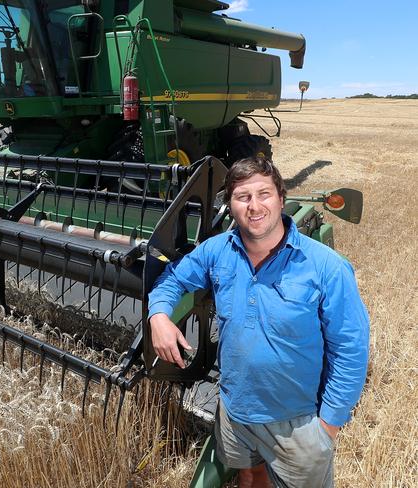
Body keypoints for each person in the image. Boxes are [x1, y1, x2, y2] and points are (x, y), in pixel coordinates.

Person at [147, 157, 369, 488]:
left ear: (281, 198)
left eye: (264, 194)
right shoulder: (217, 251)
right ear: (231, 205)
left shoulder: (326, 267)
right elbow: (173, 278)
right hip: (235, 411)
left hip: (297, 423)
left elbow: (350, 349)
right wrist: (159, 316)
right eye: (243, 197)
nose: (254, 206)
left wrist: (327, 426)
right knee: (248, 477)